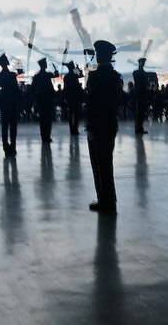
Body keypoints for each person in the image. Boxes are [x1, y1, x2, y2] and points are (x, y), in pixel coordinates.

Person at [85, 40, 122, 214]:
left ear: (99, 56)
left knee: (98, 163)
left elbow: (92, 103)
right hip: (110, 123)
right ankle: (110, 199)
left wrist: (90, 125)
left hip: (97, 125)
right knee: (107, 162)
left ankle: (103, 200)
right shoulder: (116, 77)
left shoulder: (94, 76)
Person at [0, 53, 20, 156]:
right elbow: (16, 90)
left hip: (4, 103)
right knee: (13, 126)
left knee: (5, 126)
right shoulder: (12, 75)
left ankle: (5, 146)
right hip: (12, 103)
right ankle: (13, 146)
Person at [32, 58, 57, 143]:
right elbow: (56, 75)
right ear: (43, 65)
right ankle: (48, 136)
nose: (46, 64)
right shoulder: (48, 74)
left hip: (40, 99)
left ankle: (43, 137)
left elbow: (33, 89)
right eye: (45, 63)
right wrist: (55, 68)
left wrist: (34, 99)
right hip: (48, 98)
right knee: (48, 118)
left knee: (42, 119)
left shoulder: (36, 76)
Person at [63, 60, 84, 135]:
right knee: (76, 114)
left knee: (71, 113)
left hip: (70, 97)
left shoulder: (66, 77)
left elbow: (65, 88)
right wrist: (77, 69)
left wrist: (65, 97)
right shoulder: (75, 75)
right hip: (76, 96)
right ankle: (75, 128)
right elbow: (81, 75)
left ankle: (72, 129)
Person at [133, 58, 150, 135]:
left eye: (143, 63)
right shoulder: (136, 72)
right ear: (139, 63)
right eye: (142, 62)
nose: (143, 64)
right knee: (138, 112)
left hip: (144, 94)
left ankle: (140, 128)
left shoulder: (144, 73)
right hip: (139, 94)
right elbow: (137, 80)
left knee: (142, 112)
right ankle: (138, 128)